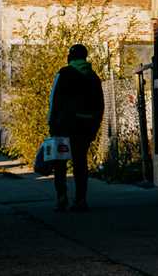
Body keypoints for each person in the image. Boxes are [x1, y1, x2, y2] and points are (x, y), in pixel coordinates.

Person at [48, 44, 104, 212]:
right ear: (85, 57)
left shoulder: (64, 73)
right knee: (80, 164)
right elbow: (100, 105)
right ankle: (80, 200)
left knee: (60, 163)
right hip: (85, 128)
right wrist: (94, 127)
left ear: (70, 56)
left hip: (63, 127)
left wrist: (52, 123)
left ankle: (61, 198)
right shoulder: (94, 77)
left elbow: (54, 100)